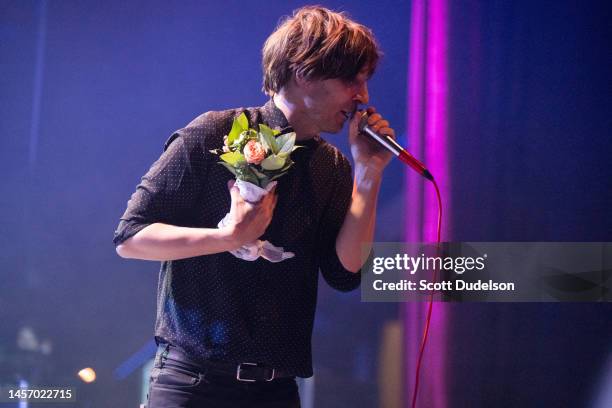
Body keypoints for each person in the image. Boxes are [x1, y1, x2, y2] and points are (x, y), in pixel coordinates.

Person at [114, 5, 395, 408]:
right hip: (193, 384)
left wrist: (368, 176)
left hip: (276, 392)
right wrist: (228, 237)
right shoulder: (214, 132)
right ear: (305, 72)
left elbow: (345, 273)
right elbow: (130, 237)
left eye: (366, 81)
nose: (363, 96)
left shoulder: (331, 167)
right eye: (352, 79)